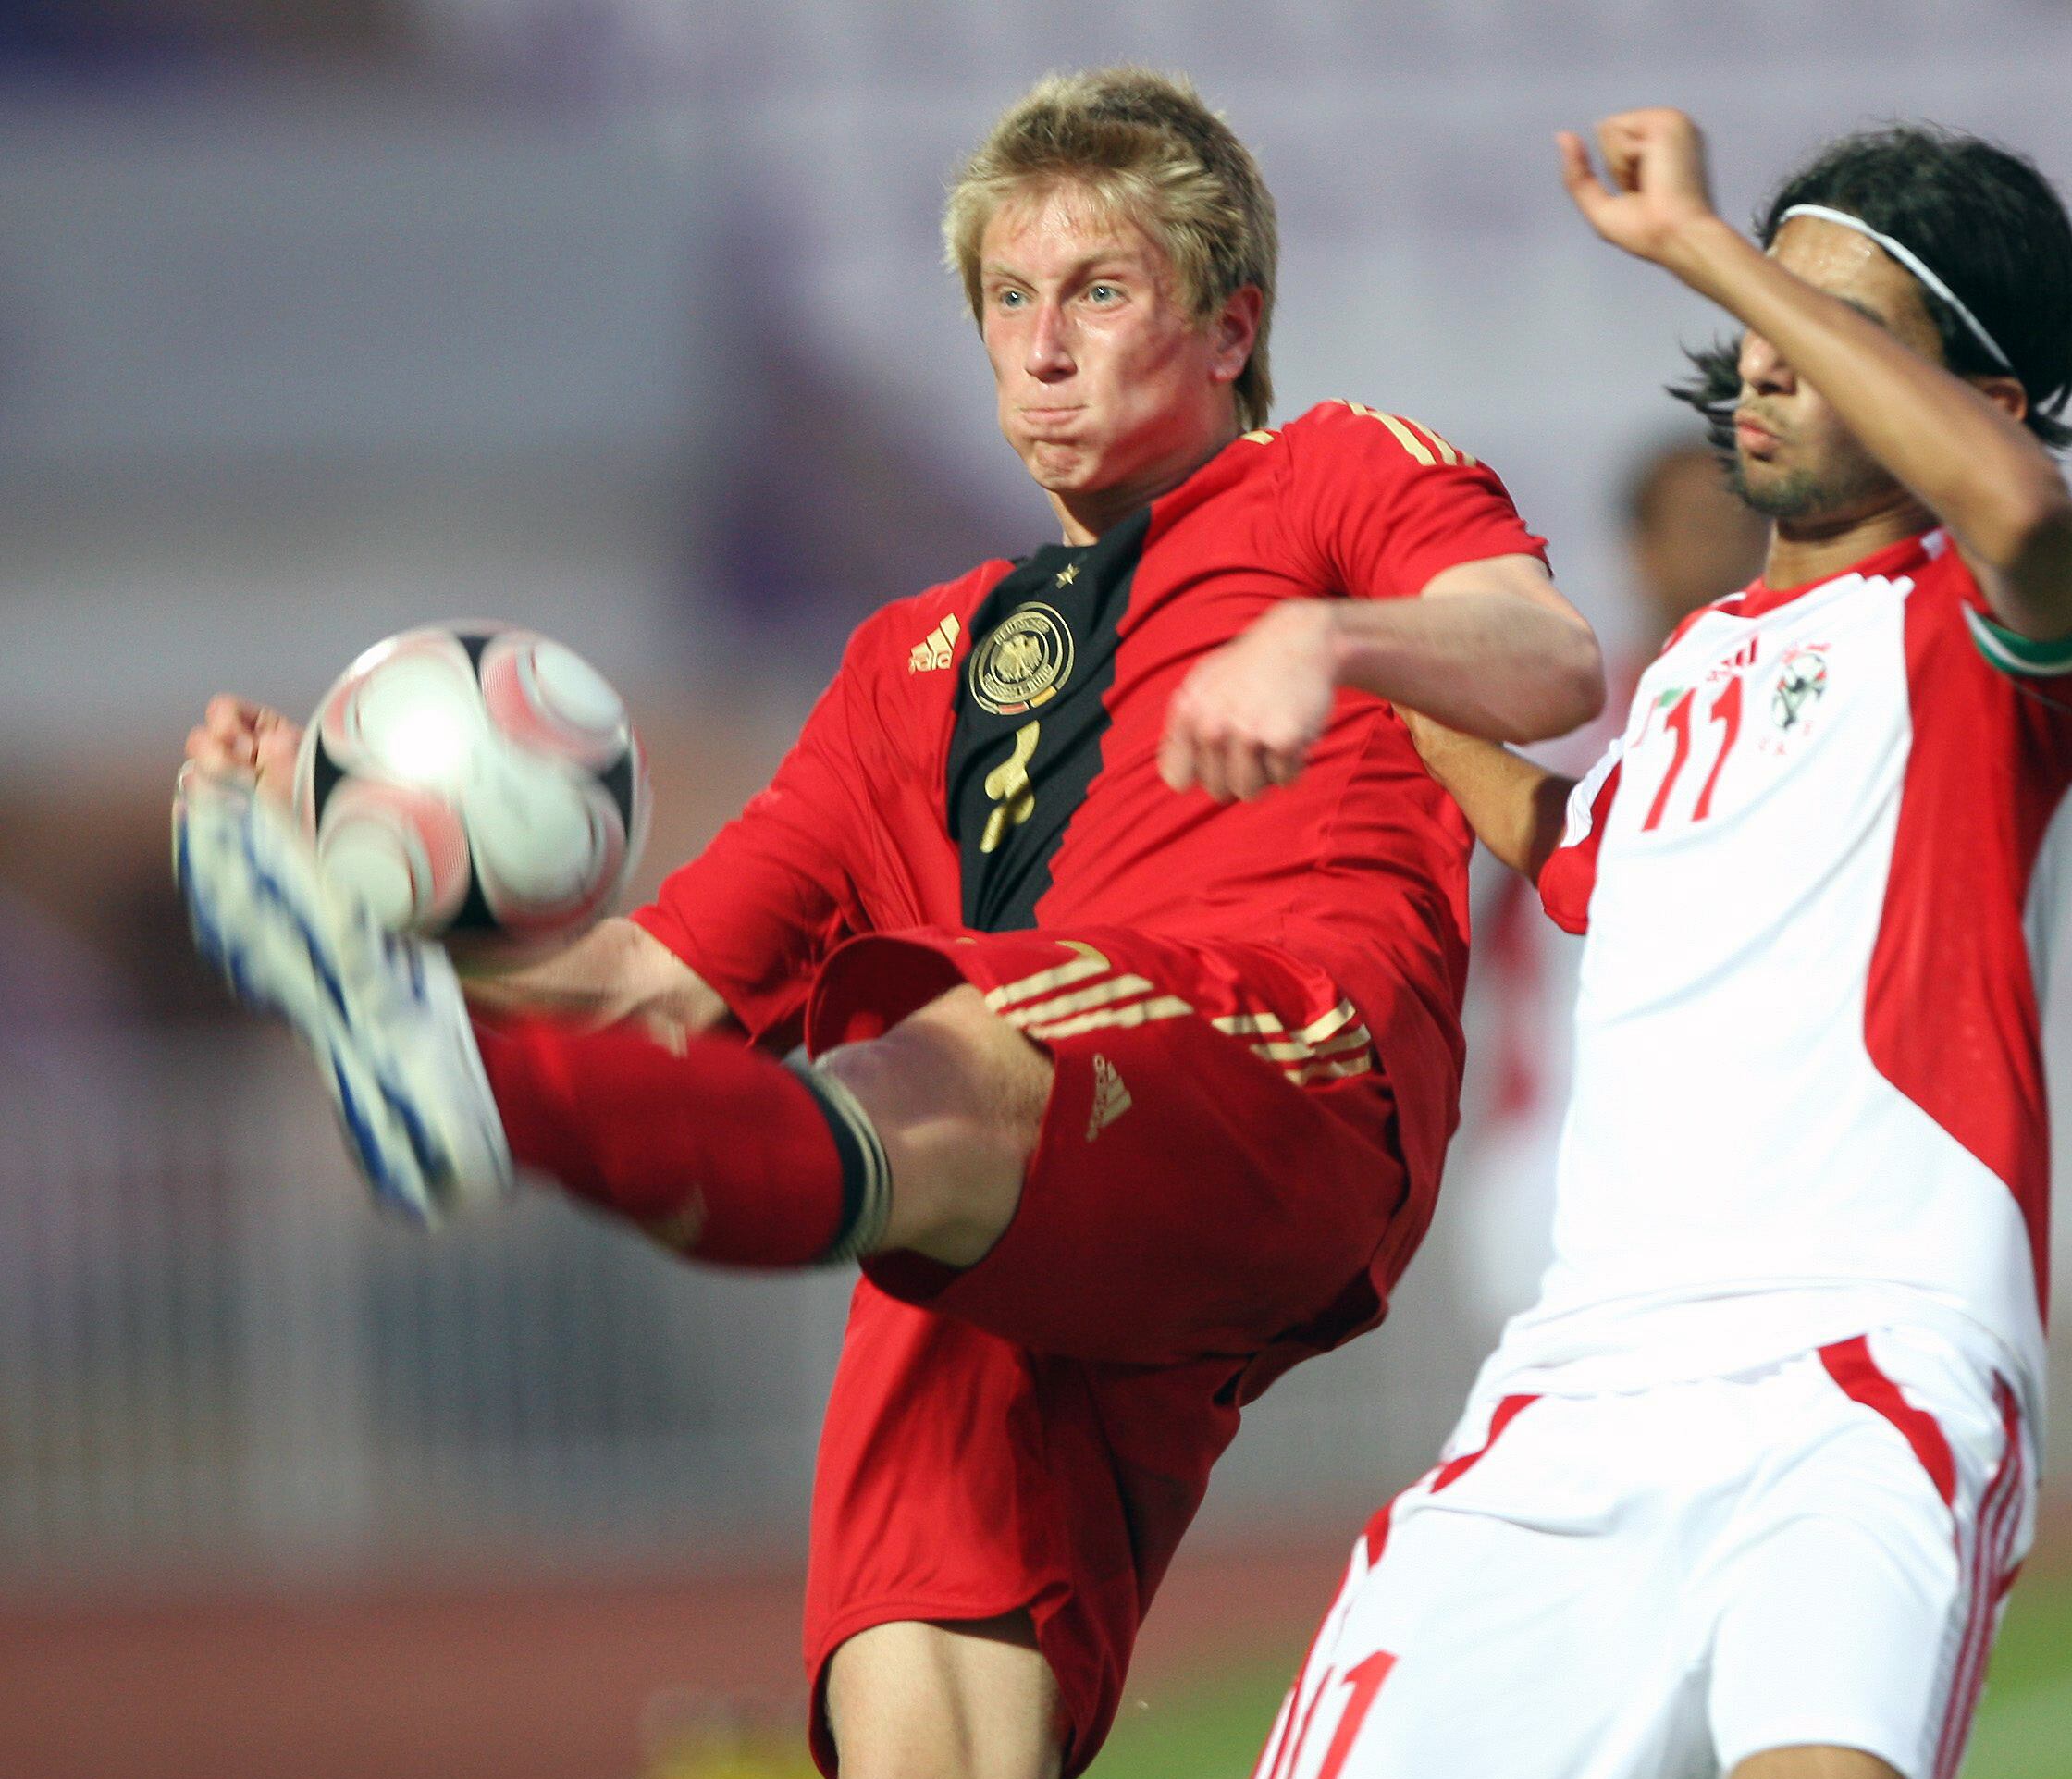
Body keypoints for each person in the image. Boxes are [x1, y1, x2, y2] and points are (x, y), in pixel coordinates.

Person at [173, 68, 1603, 1779]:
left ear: (1228, 326)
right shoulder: (906, 665)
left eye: (1097, 290)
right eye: (1008, 297)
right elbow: (647, 989)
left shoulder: (1333, 475)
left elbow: (1549, 658)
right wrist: (354, 909)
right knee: (920, 1667)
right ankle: (445, 1043)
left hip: (1275, 1058)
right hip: (1016, 1201)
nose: (1041, 346)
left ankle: (474, 1083)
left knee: (938, 1049)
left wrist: (1334, 643)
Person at [1257, 108, 2072, 1779]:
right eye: (1756, 315)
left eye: (1835, 323)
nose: (1760, 354)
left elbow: (2027, 522)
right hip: (1573, 1391)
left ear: (1983, 400)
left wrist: (1709, 240)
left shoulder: (1984, 632)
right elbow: (1576, 853)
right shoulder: (1692, 664)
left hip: (1860, 1373)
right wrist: (1340, 655)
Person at [1457, 438, 1763, 1328]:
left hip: (1736, 1166)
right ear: (1640, 549)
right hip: (1558, 1164)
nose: (1722, 552)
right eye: (1696, 527)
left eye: (1740, 527)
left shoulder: (1809, 718)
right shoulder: (1558, 730)